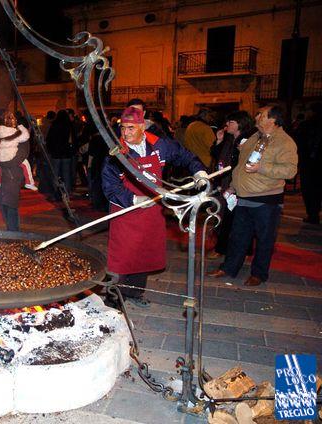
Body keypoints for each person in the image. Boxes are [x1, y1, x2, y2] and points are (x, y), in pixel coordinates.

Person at [102, 106, 206, 306]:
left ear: (143, 126)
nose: (125, 133)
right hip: (126, 211)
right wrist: (133, 199)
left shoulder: (160, 145)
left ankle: (135, 294)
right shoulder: (117, 153)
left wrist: (199, 172)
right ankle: (114, 300)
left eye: (131, 128)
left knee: (144, 252)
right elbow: (110, 185)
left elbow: (186, 156)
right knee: (123, 256)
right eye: (123, 128)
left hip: (152, 210)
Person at [209, 104, 298, 286]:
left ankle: (259, 273)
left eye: (261, 115)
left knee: (264, 240)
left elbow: (290, 171)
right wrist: (233, 186)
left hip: (266, 201)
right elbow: (241, 166)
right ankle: (229, 268)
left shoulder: (285, 142)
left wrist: (261, 168)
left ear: (272, 119)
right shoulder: (254, 138)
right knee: (238, 237)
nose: (256, 117)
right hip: (243, 197)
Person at [208, 110, 255, 258]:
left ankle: (225, 249)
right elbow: (216, 154)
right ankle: (225, 248)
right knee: (224, 215)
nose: (227, 125)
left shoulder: (248, 140)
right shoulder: (229, 139)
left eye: (231, 122)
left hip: (238, 184)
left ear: (240, 124)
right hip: (224, 181)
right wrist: (219, 141)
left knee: (234, 218)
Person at [0, 111, 36, 191]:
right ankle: (29, 182)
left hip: (0, 157)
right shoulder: (15, 133)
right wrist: (21, 127)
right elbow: (26, 136)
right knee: (25, 164)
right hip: (10, 155)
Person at [295, 103, 322, 225]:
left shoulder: (306, 125)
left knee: (310, 190)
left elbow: (299, 143)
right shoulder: (306, 126)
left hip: (309, 163)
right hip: (312, 162)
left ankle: (313, 214)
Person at [45, 110, 75, 198]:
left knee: (56, 174)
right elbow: (73, 139)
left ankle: (56, 192)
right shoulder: (69, 126)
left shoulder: (54, 125)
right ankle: (67, 192)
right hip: (66, 153)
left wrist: (50, 150)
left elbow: (49, 139)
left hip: (56, 153)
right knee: (66, 174)